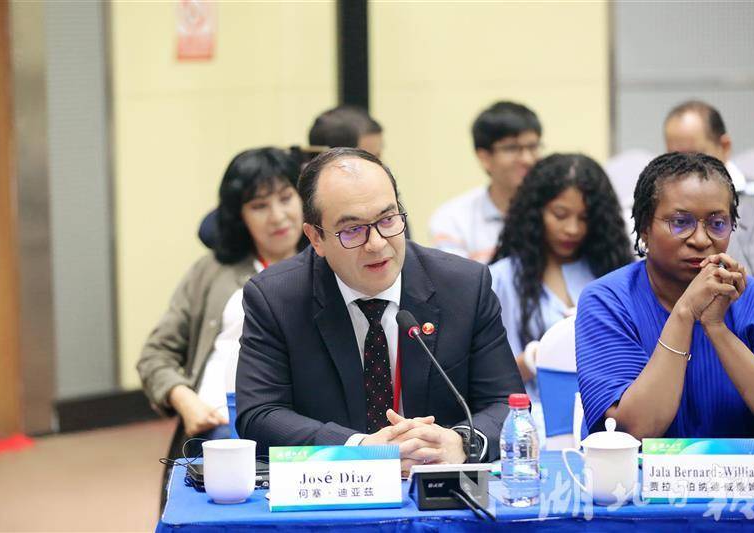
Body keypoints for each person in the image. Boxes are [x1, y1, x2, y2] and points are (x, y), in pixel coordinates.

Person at [235, 147, 524, 470]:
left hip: (436, 483)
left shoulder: (463, 286)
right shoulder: (276, 298)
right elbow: (260, 415)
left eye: (387, 220)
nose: (376, 243)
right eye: (352, 229)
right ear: (316, 238)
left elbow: (508, 405)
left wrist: (462, 442)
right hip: (337, 486)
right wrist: (360, 449)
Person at [137, 147, 306, 505]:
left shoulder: (324, 266)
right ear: (239, 216)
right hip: (217, 426)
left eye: (285, 198)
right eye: (259, 206)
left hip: (297, 429)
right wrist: (185, 400)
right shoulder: (212, 271)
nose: (278, 216)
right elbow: (155, 354)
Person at [576, 152, 754, 440]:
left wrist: (716, 328)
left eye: (717, 223)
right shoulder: (608, 301)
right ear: (645, 228)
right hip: (639, 470)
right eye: (680, 222)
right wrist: (685, 312)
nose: (701, 240)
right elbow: (631, 432)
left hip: (744, 470)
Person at [488, 154, 633, 438]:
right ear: (535, 212)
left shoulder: (612, 276)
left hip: (606, 427)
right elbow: (487, 381)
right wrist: (535, 359)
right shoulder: (501, 279)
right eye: (560, 214)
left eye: (584, 218)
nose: (572, 229)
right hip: (531, 430)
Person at [198, 105, 384, 248]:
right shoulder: (306, 189)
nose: (379, 164)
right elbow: (211, 229)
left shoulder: (380, 191)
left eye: (285, 198)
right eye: (369, 156)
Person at [429, 101, 542, 263]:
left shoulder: (555, 214)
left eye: (533, 147)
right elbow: (456, 278)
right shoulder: (452, 219)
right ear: (484, 157)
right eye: (512, 148)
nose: (527, 159)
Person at [664, 100, 754, 278]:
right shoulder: (660, 205)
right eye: (674, 159)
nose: (684, 169)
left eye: (695, 156)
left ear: (724, 147)